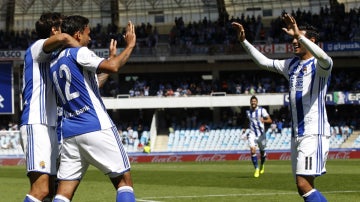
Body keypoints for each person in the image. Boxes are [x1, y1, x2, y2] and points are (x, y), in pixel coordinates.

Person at [232, 12, 332, 202]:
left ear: (310, 40)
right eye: (293, 38)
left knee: (303, 184)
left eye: (297, 38)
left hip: (313, 132)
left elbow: (326, 59)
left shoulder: (320, 66)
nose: (294, 41)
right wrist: (244, 41)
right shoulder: (291, 65)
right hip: (297, 134)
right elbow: (264, 62)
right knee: (303, 186)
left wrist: (298, 34)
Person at [49, 15, 136, 202]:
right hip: (96, 125)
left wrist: (111, 57)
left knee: (63, 193)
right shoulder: (79, 52)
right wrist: (129, 46)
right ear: (78, 34)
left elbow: (93, 84)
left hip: (71, 133)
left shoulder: (54, 62)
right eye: (88, 33)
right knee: (124, 182)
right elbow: (113, 67)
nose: (90, 38)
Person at [20, 12, 80, 202]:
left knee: (53, 190)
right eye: (63, 27)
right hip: (36, 123)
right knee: (41, 190)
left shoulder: (56, 59)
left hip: (52, 127)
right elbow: (62, 38)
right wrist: (82, 50)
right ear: (54, 30)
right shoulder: (37, 48)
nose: (67, 31)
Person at [245, 95, 272, 178]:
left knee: (262, 152)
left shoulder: (262, 110)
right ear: (250, 103)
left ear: (257, 102)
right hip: (252, 134)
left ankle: (262, 164)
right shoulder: (248, 112)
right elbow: (248, 121)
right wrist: (244, 129)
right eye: (252, 101)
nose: (253, 103)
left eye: (254, 101)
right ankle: (256, 169)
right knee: (253, 150)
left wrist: (263, 120)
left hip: (261, 135)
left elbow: (270, 120)